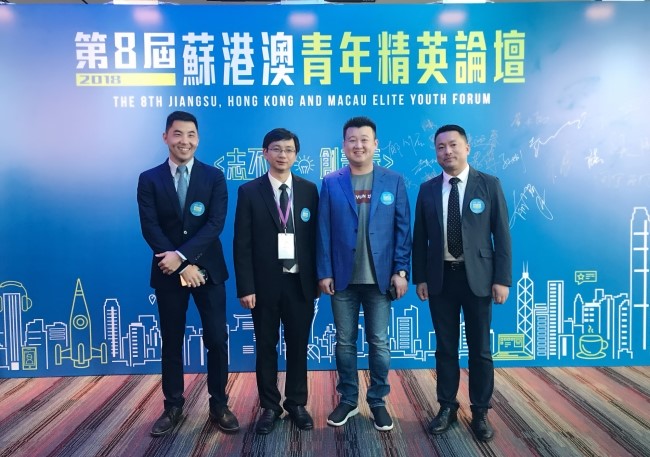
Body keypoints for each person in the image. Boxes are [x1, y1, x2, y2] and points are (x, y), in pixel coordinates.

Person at [137, 111, 239, 437]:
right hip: (167, 272)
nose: (185, 141)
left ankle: (219, 404)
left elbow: (215, 224)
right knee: (171, 340)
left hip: (208, 271)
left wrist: (184, 258)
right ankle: (173, 406)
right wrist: (181, 266)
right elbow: (150, 226)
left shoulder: (214, 177)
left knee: (217, 340)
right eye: (178, 134)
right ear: (165, 137)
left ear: (198, 138)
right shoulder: (149, 179)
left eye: (191, 134)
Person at [412, 124, 512, 442]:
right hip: (441, 278)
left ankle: (480, 410)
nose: (447, 151)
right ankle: (447, 406)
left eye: (453, 145)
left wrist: (502, 279)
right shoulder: (428, 189)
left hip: (478, 278)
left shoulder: (489, 184)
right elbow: (420, 238)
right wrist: (420, 277)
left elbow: (502, 235)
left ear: (467, 148)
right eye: (440, 147)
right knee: (445, 348)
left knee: (480, 350)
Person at [316, 116, 412, 432]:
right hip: (342, 279)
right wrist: (324, 271)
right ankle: (348, 400)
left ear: (375, 144)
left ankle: (378, 401)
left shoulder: (393, 181)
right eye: (352, 140)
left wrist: (401, 270)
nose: (358, 145)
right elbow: (323, 231)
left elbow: (403, 230)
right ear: (344, 145)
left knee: (379, 343)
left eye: (364, 139)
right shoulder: (331, 182)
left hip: (380, 279)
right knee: (344, 342)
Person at [233, 128, 319, 435]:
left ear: (296, 155)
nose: (283, 155)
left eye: (289, 150)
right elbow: (241, 243)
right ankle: (269, 406)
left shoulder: (309, 190)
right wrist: (246, 287)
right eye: (277, 149)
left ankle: (296, 403)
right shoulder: (249, 191)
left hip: (300, 284)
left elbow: (317, 239)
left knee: (298, 345)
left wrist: (319, 278)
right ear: (265, 153)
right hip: (264, 286)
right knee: (266, 347)